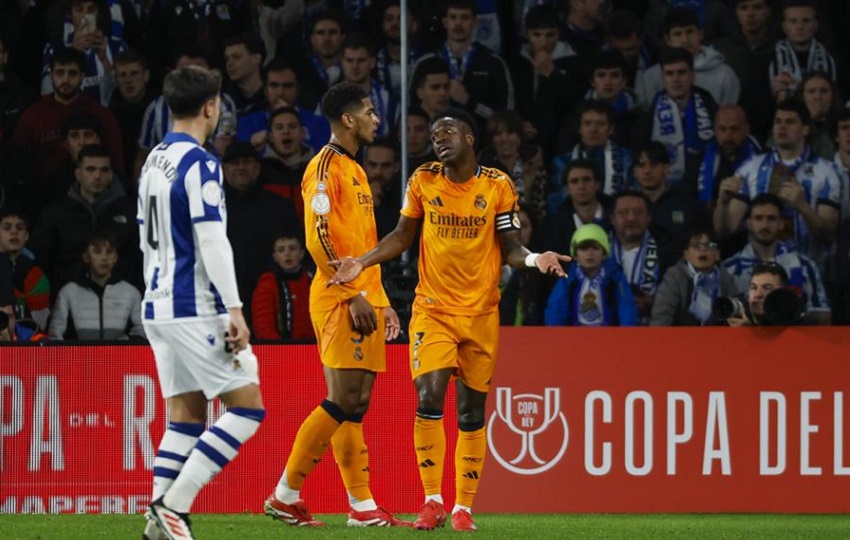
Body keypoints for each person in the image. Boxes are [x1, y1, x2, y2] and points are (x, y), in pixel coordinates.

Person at [326, 107, 569, 532]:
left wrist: (535, 258)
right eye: (434, 134)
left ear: (470, 138)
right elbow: (402, 237)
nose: (439, 138)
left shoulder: (497, 186)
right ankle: (432, 501)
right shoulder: (423, 180)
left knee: (472, 412)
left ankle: (463, 508)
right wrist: (360, 262)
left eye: (448, 131)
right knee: (429, 395)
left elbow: (510, 247)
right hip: (433, 310)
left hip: (481, 314)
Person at [264, 82, 408, 528]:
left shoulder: (357, 171)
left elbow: (362, 246)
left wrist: (380, 301)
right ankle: (285, 493)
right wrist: (352, 294)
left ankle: (362, 507)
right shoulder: (323, 167)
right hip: (339, 297)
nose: (376, 119)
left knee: (356, 402)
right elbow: (318, 238)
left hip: (362, 297)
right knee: (344, 397)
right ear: (348, 119)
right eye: (369, 112)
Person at [138, 65, 265, 540]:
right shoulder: (201, 162)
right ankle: (175, 506)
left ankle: (156, 527)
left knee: (186, 416)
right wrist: (234, 308)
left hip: (157, 303)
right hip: (193, 305)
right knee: (247, 408)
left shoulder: (153, 160)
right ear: (211, 107)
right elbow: (212, 240)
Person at [713, 100, 841, 272]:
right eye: (777, 121)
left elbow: (828, 235)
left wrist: (803, 206)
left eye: (790, 122)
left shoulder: (826, 172)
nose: (782, 127)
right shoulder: (750, 169)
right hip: (760, 272)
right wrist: (722, 203)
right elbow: (724, 231)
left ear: (805, 129)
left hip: (810, 270)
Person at [722, 193, 830, 324]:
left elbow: (823, 316)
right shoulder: (729, 268)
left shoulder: (804, 266)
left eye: (771, 218)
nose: (765, 225)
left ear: (781, 223)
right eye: (758, 218)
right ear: (749, 223)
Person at [47, 229, 143, 340]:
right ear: (86, 256)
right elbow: (55, 336)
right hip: (79, 357)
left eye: (109, 251)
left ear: (115, 257)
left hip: (120, 357)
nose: (104, 258)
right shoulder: (68, 293)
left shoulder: (131, 293)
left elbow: (141, 331)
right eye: (97, 251)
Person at [635, 7, 740, 108]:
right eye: (677, 34)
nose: (685, 40)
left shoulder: (725, 75)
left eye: (689, 32)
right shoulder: (651, 77)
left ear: (700, 34)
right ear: (667, 40)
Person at [544, 223, 638, 326]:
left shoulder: (615, 278)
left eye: (595, 248)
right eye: (584, 249)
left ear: (604, 253)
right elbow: (556, 309)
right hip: (575, 336)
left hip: (609, 335)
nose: (590, 253)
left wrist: (626, 335)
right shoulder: (567, 279)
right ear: (575, 255)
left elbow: (626, 307)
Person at [650, 228, 739, 326]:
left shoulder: (725, 278)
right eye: (696, 246)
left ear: (717, 254)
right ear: (686, 254)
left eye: (709, 245)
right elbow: (661, 317)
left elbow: (736, 316)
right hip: (680, 337)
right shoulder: (674, 277)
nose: (703, 250)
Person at [609, 190, 663, 323]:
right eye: (623, 213)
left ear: (648, 217)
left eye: (638, 212)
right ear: (612, 218)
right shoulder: (594, 251)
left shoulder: (667, 251)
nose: (631, 218)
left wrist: (654, 302)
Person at [251, 233, 313, 341]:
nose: (287, 254)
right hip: (281, 351)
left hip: (316, 348)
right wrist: (282, 350)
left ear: (302, 253)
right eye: (281, 250)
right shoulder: (267, 284)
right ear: (275, 256)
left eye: (292, 248)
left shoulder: (313, 281)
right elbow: (263, 327)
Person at [0, 208, 50, 330]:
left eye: (19, 228)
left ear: (26, 236)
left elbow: (39, 324)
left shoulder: (36, 274)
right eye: (7, 228)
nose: (14, 232)